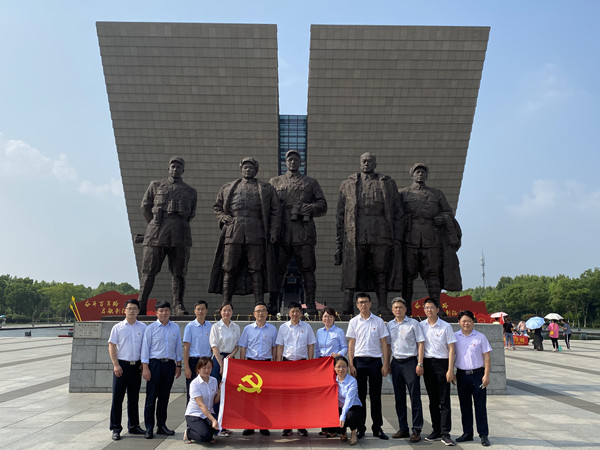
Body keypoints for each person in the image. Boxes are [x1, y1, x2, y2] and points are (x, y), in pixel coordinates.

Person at [335, 152, 402, 316]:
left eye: (370, 161)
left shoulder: (387, 183)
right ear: (360, 163)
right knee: (352, 268)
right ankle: (347, 305)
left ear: (375, 164)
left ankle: (382, 306)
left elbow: (398, 212)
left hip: (380, 231)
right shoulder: (347, 184)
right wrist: (340, 241)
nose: (366, 163)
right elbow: (340, 215)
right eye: (364, 161)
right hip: (356, 232)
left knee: (381, 269)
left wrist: (397, 237)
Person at [209, 157, 281, 308]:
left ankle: (259, 303)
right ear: (241, 169)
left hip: (256, 232)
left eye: (251, 168)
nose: (248, 170)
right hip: (233, 231)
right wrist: (223, 217)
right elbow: (217, 207)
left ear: (256, 170)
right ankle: (226, 302)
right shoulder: (228, 187)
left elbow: (276, 211)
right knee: (229, 267)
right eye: (245, 167)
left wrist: (274, 231)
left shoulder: (267, 188)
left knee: (256, 268)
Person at [269, 150, 327, 315]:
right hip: (282, 233)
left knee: (308, 270)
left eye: (295, 159)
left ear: (300, 162)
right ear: (285, 162)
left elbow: (323, 205)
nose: (292, 162)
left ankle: (311, 304)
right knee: (277, 271)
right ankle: (273, 304)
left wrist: (310, 208)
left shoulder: (310, 182)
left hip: (304, 232)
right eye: (290, 159)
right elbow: (268, 207)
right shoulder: (275, 182)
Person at [399, 163, 462, 316]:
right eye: (417, 172)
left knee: (433, 275)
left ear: (427, 175)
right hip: (409, 239)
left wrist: (442, 218)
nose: (420, 174)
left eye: (423, 172)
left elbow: (448, 212)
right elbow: (395, 214)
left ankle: (437, 308)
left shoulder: (436, 194)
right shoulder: (403, 193)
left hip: (431, 239)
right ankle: (406, 309)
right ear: (412, 175)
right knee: (408, 275)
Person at [138, 156, 197, 315]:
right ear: (169, 168)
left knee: (179, 272)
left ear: (183, 170)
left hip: (180, 234)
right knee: (149, 271)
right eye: (173, 166)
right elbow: (145, 207)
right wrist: (155, 224)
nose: (175, 169)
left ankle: (178, 305)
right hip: (156, 233)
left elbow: (191, 214)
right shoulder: (155, 185)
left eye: (179, 167)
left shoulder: (190, 191)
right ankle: (141, 304)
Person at [346, 292, 390, 440]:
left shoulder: (378, 321)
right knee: (360, 397)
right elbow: (351, 344)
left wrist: (385, 363)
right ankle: (361, 428)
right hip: (359, 362)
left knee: (376, 396)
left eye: (365, 302)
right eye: (360, 302)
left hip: (375, 362)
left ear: (370, 303)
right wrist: (351, 364)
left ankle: (377, 427)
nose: (363, 304)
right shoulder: (354, 322)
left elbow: (384, 343)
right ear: (357, 305)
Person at [141, 300, 183, 439]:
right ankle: (149, 427)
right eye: (161, 310)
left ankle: (161, 426)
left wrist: (178, 365)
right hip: (154, 364)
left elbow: (178, 347)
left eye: (166, 310)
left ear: (170, 312)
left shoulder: (175, 327)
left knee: (164, 397)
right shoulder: (151, 328)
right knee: (151, 397)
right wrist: (145, 367)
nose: (164, 313)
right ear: (156, 312)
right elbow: (145, 348)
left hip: (169, 365)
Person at [386, 297, 425, 443]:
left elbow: (421, 344)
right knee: (399, 397)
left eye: (400, 307)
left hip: (411, 363)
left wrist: (420, 363)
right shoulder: (390, 325)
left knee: (415, 397)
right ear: (392, 310)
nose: (398, 309)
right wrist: (387, 363)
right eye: (395, 307)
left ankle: (416, 430)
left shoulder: (414, 324)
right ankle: (403, 428)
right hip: (396, 363)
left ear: (405, 309)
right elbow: (388, 346)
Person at [107, 299, 147, 440]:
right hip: (121, 366)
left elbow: (145, 347)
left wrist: (143, 363)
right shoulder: (117, 327)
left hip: (136, 367)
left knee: (133, 398)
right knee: (117, 398)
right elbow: (111, 346)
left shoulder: (143, 327)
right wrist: (115, 364)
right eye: (129, 308)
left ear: (138, 311)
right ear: (124, 310)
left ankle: (134, 426)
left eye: (134, 308)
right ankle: (116, 428)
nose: (131, 311)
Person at [275, 301, 317, 436]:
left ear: (301, 313)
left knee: (301, 397)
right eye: (292, 311)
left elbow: (310, 346)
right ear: (289, 313)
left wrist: (310, 363)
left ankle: (301, 425)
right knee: (287, 397)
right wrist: (278, 363)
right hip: (287, 364)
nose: (295, 314)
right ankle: (287, 426)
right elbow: (280, 346)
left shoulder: (307, 327)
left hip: (302, 365)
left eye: (297, 311)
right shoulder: (283, 327)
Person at [420, 297, 457, 446]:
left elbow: (452, 348)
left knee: (444, 400)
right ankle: (436, 430)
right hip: (428, 364)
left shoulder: (445, 326)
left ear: (437, 309)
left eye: (431, 307)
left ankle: (445, 433)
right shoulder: (421, 326)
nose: (429, 310)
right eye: (426, 308)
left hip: (442, 364)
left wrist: (450, 369)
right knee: (433, 400)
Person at [237, 302, 278, 436]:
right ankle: (249, 426)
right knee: (250, 397)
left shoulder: (272, 329)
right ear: (254, 314)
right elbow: (243, 347)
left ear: (267, 313)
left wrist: (274, 364)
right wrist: (243, 365)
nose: (260, 313)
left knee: (264, 397)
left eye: (263, 310)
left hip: (266, 365)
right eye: (258, 311)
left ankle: (263, 425)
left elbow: (274, 348)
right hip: (251, 364)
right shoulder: (248, 329)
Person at [453, 310, 492, 447]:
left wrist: (486, 375)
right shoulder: (454, 337)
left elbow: (487, 357)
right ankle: (467, 433)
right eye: (464, 321)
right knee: (465, 405)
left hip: (477, 375)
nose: (466, 323)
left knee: (480, 405)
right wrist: (451, 372)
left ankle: (483, 434)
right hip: (461, 375)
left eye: (469, 321)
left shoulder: (480, 337)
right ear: (459, 322)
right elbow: (451, 355)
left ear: (473, 322)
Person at [183, 357, 220, 444]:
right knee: (204, 435)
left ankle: (207, 434)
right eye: (204, 368)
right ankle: (188, 433)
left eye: (209, 368)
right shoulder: (194, 384)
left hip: (208, 413)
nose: (207, 370)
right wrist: (213, 420)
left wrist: (220, 390)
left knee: (218, 428)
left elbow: (215, 401)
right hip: (195, 414)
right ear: (198, 369)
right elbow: (201, 405)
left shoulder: (214, 380)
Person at [183, 300, 212, 403]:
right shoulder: (190, 326)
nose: (200, 311)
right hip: (194, 362)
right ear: (194, 311)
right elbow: (186, 348)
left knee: (207, 390)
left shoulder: (211, 327)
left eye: (202, 309)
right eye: (198, 309)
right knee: (192, 391)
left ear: (206, 311)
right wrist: (186, 367)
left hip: (207, 361)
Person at [333, 356, 365, 446]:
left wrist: (342, 416)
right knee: (333, 415)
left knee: (350, 415)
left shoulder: (352, 381)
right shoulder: (333, 380)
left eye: (344, 366)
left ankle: (353, 433)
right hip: (340, 407)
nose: (341, 369)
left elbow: (349, 400)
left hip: (353, 407)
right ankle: (343, 432)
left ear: (347, 367)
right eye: (338, 366)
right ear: (334, 368)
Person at [209, 303, 240, 382]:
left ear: (232, 312)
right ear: (220, 312)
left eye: (229, 310)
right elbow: (214, 346)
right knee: (216, 382)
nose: (227, 312)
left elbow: (237, 345)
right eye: (224, 310)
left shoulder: (236, 327)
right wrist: (221, 364)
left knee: (230, 383)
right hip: (218, 358)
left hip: (230, 358)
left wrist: (232, 355)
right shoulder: (215, 326)